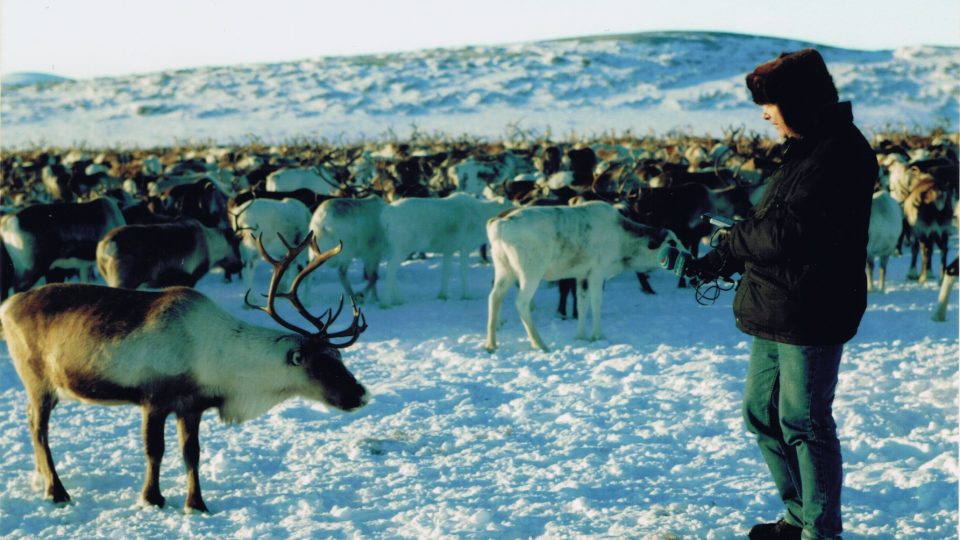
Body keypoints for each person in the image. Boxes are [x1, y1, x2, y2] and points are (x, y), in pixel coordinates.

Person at [684, 49, 878, 539]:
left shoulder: (838, 152)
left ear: (799, 101)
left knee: (804, 421)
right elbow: (766, 224)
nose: (765, 115)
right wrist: (720, 259)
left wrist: (731, 241)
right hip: (778, 303)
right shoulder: (807, 149)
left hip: (813, 307)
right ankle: (798, 516)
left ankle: (820, 531)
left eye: (770, 105)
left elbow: (788, 234)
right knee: (761, 412)